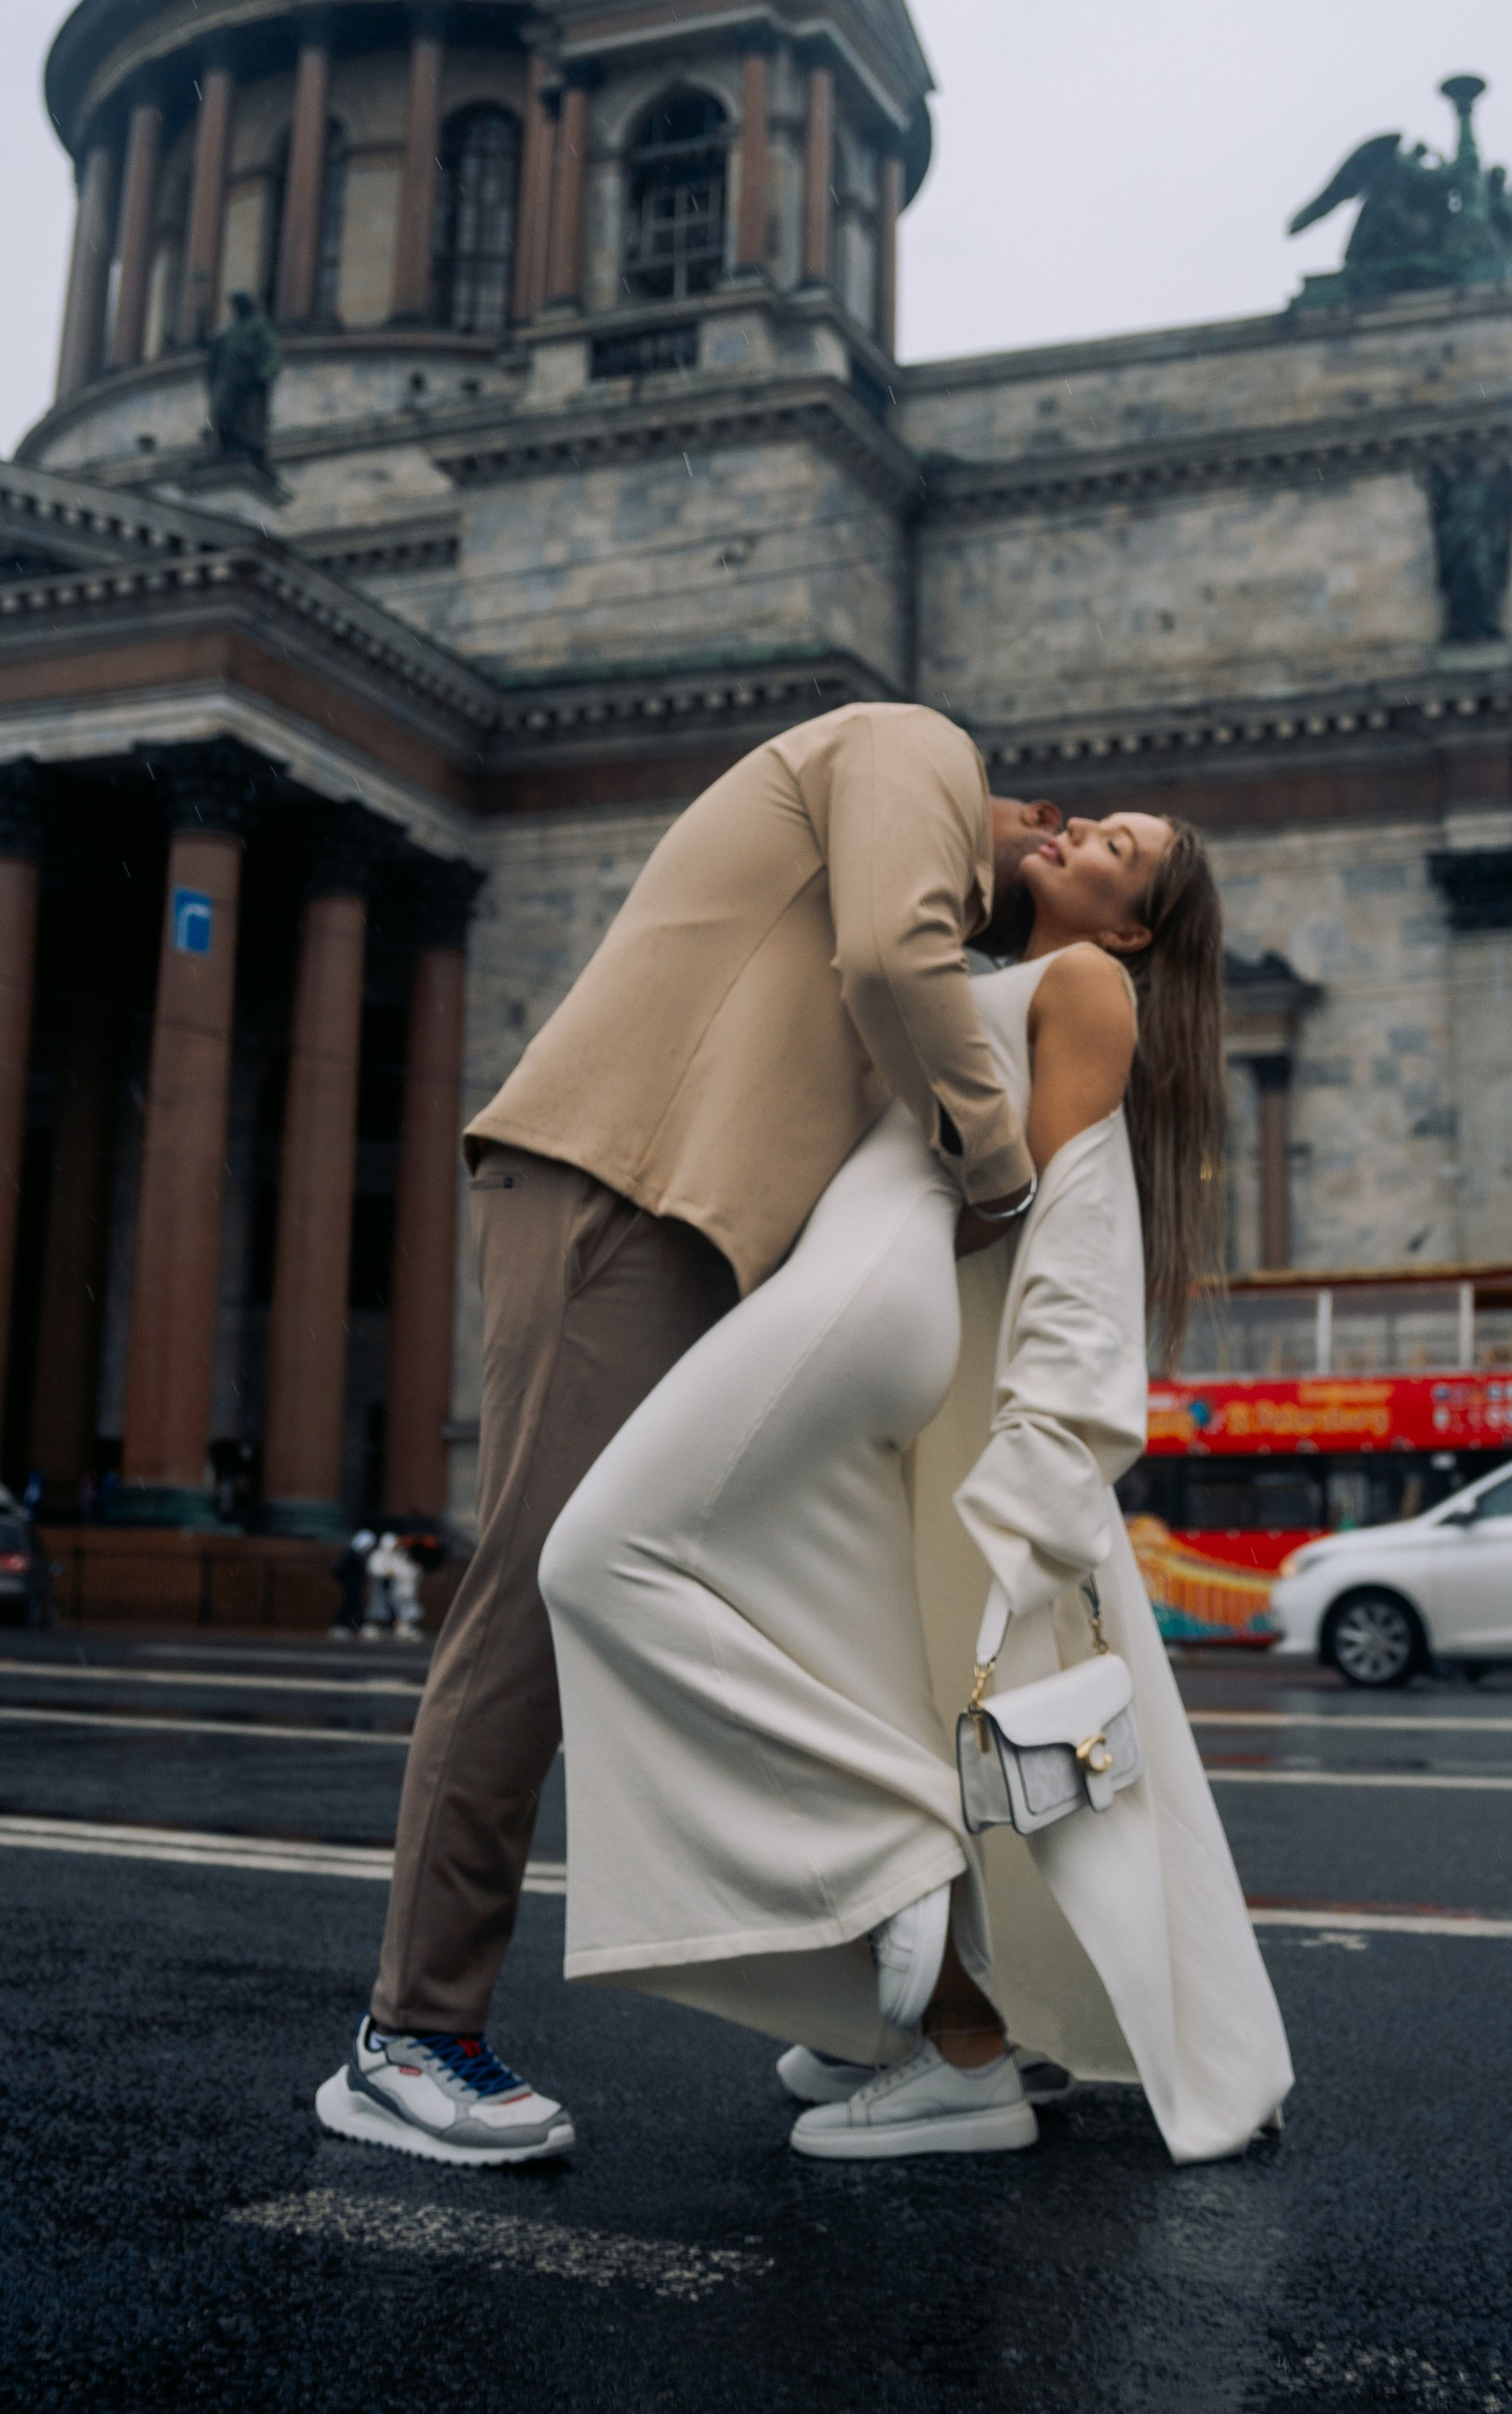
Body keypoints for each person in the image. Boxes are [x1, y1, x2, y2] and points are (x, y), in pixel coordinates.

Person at [315, 703, 1059, 2166]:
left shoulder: (960, 906)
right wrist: (1004, 1165)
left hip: (694, 1229)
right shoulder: (919, 743)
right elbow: (889, 955)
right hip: (628, 1189)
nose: (1055, 818)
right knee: (532, 1602)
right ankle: (407, 2036)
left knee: (731, 1604)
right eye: (1056, 817)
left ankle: (874, 1986)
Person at [541, 808, 1295, 2162]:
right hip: (863, 1298)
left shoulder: (1086, 982)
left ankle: (935, 1991)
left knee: (599, 1561)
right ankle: (917, 2015)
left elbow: (1064, 1214)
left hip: (859, 1296)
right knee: (862, 1663)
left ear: (1133, 926)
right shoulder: (1001, 979)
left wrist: (1053, 1436)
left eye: (1117, 848)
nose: (1076, 832)